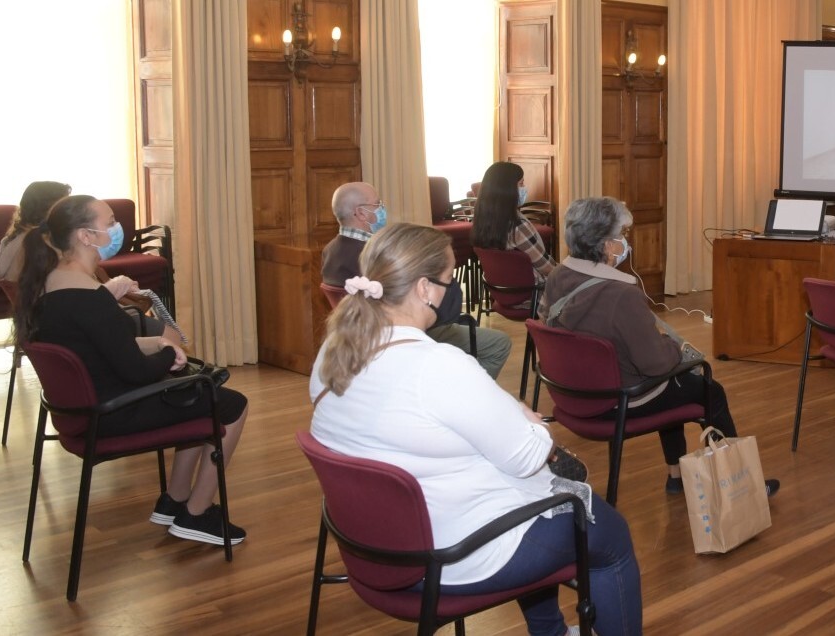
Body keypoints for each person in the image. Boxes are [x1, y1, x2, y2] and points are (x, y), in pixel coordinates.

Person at [310, 223, 642, 636]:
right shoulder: (437, 365)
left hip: (377, 547)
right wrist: (529, 420)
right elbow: (527, 457)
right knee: (610, 536)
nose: (451, 291)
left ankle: (551, 632)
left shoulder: (335, 351)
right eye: (449, 280)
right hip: (456, 554)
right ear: (425, 289)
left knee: (526, 497)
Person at [13, 194, 247, 545]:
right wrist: (169, 355)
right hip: (111, 412)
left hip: (82, 409)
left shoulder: (47, 286)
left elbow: (94, 348)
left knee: (197, 391)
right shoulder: (91, 300)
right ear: (85, 236)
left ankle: (174, 501)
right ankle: (197, 514)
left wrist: (158, 345)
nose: (117, 229)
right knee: (230, 404)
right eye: (109, 223)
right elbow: (137, 372)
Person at [541, 197, 777, 496]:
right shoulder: (621, 295)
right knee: (708, 389)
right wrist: (672, 347)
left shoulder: (557, 277)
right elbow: (655, 365)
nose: (625, 242)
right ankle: (741, 484)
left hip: (571, 395)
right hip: (621, 400)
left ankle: (677, 476)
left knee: (676, 385)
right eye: (622, 235)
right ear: (606, 246)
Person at [321, 181, 512, 379]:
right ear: (361, 213)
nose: (382, 209)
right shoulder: (378, 255)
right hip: (407, 332)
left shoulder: (331, 250)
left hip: (364, 335)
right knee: (499, 343)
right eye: (378, 204)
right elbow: (436, 308)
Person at [0, 181, 166, 337]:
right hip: (82, 327)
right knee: (169, 338)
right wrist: (114, 287)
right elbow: (73, 302)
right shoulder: (42, 248)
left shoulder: (13, 241)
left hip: (58, 326)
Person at [471, 161, 556, 281]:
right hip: (535, 292)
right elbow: (547, 267)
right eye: (521, 184)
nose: (524, 189)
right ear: (508, 189)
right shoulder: (518, 225)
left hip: (502, 291)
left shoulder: (481, 220)